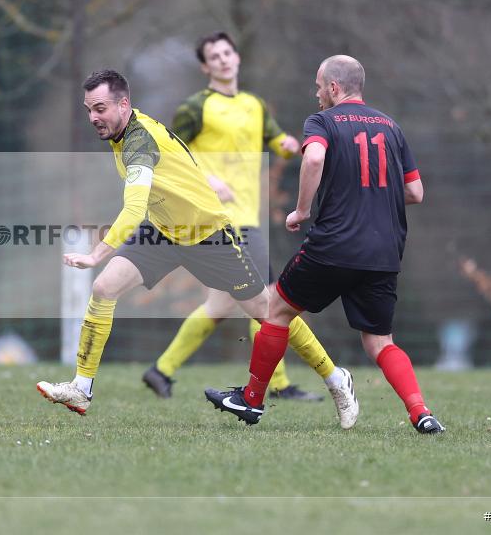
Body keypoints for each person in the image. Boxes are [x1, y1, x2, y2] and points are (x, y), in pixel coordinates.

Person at [38, 69, 306, 420]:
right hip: (166, 229)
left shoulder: (145, 136)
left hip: (212, 228)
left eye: (99, 108)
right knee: (105, 288)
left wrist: (95, 255)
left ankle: (333, 378)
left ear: (124, 104)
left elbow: (134, 207)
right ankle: (83, 388)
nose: (93, 117)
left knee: (265, 308)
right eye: (89, 109)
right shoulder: (156, 123)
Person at [205, 55, 446, 434]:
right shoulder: (391, 127)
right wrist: (371, 193)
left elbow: (314, 157)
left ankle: (251, 400)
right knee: (380, 342)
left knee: (276, 310)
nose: (316, 93)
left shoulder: (323, 121)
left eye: (319, 85)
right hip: (383, 251)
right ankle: (421, 412)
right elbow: (415, 191)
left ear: (334, 87)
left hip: (335, 244)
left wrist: (301, 210)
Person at [142, 32, 354, 415]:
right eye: (214, 56)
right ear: (206, 67)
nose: (223, 60)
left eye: (227, 52)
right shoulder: (194, 107)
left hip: (247, 216)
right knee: (271, 300)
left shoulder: (254, 105)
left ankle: (162, 369)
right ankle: (279, 384)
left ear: (236, 58)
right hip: (219, 218)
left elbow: (275, 140)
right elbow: (170, 154)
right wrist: (207, 179)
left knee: (222, 304)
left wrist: (289, 145)